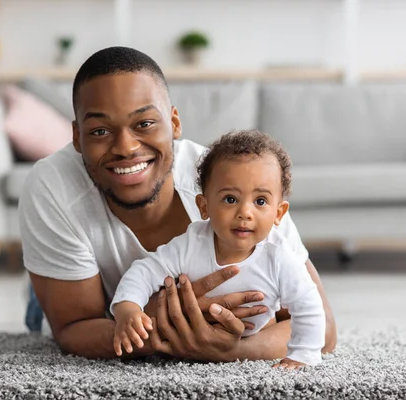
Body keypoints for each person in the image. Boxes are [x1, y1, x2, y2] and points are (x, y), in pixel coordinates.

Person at [18, 46, 336, 362]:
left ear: (174, 123)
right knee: (53, 302)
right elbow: (73, 328)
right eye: (100, 131)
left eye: (144, 124)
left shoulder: (237, 187)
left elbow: (323, 330)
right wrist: (162, 327)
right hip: (87, 284)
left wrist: (226, 350)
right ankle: (40, 284)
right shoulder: (53, 187)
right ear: (77, 137)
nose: (126, 148)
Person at [111, 130, 325, 368]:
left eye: (260, 201)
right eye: (230, 199)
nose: (245, 212)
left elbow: (308, 305)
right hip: (190, 338)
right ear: (204, 206)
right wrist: (128, 308)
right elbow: (145, 270)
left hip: (253, 334)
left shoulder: (279, 256)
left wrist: (303, 355)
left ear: (278, 214)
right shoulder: (192, 243)